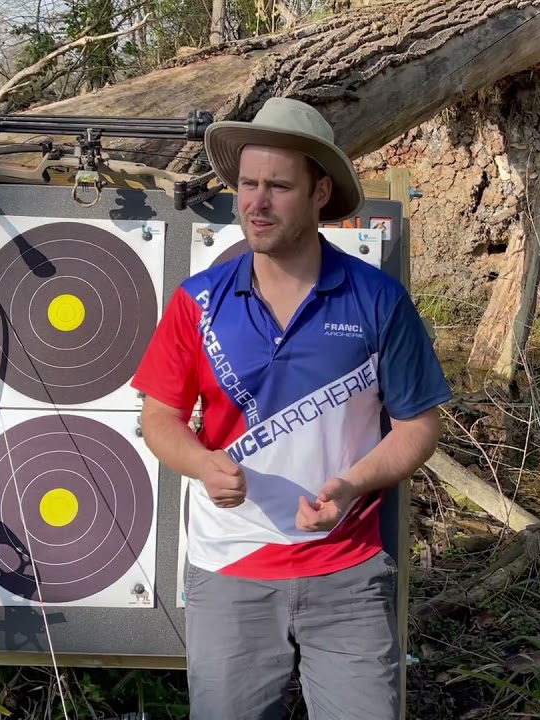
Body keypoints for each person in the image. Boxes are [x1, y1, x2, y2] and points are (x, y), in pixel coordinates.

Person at [130, 97, 452, 720]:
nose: (257, 202)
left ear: (319, 193)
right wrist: (201, 465)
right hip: (230, 572)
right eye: (248, 184)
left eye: (278, 186)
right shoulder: (197, 303)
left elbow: (419, 426)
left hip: (348, 575)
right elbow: (159, 418)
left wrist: (355, 483)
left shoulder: (378, 301)